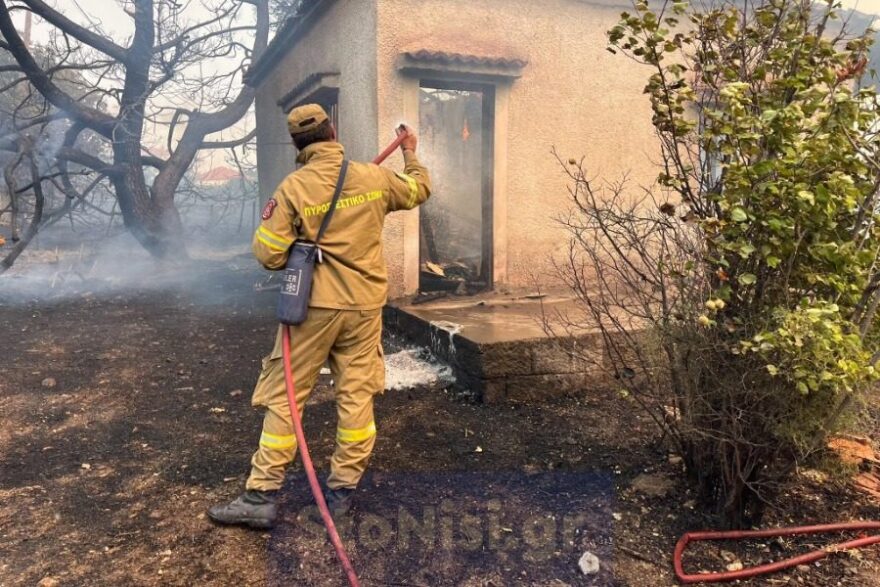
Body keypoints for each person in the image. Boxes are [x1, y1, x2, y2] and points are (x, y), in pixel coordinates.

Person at [208, 104, 431, 529]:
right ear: (333, 131)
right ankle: (341, 493)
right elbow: (418, 188)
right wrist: (410, 151)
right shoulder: (373, 178)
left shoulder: (293, 188)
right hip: (363, 308)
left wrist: (300, 246)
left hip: (312, 309)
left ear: (298, 144)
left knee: (286, 396)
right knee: (356, 395)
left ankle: (260, 496)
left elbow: (268, 254)